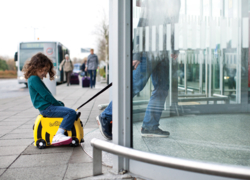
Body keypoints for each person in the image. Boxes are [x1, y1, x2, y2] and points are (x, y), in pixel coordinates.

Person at [96, 0, 180, 140]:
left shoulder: (173, 7)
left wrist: (174, 48)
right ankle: (106, 116)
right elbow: (142, 27)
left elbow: (172, 29)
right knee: (134, 86)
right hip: (148, 52)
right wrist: (137, 54)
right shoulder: (156, 5)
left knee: (162, 89)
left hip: (163, 54)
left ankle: (150, 126)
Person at [23, 52, 77, 146]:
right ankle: (59, 135)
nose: (44, 73)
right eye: (43, 70)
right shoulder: (34, 79)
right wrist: (58, 104)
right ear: (36, 67)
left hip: (46, 107)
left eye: (46, 71)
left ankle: (60, 133)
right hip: (47, 108)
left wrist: (58, 103)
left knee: (68, 111)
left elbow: (46, 95)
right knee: (71, 112)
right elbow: (46, 96)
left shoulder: (33, 78)